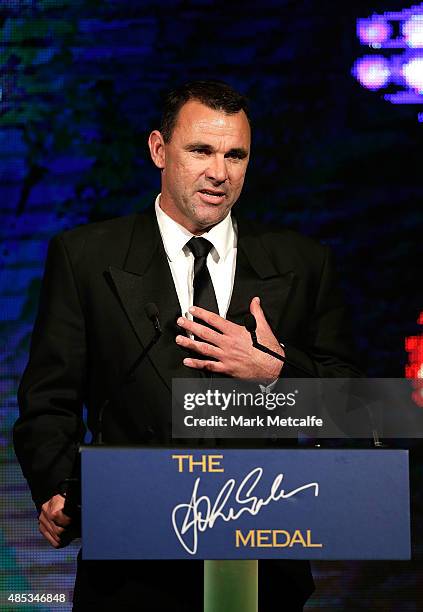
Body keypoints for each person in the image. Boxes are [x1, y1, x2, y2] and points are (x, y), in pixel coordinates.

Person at [14, 80, 361, 611]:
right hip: (131, 566)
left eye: (235, 154)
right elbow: (48, 399)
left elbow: (348, 408)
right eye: (201, 150)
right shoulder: (85, 257)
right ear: (159, 149)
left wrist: (273, 372)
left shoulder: (302, 263)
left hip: (260, 559)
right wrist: (58, 487)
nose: (219, 172)